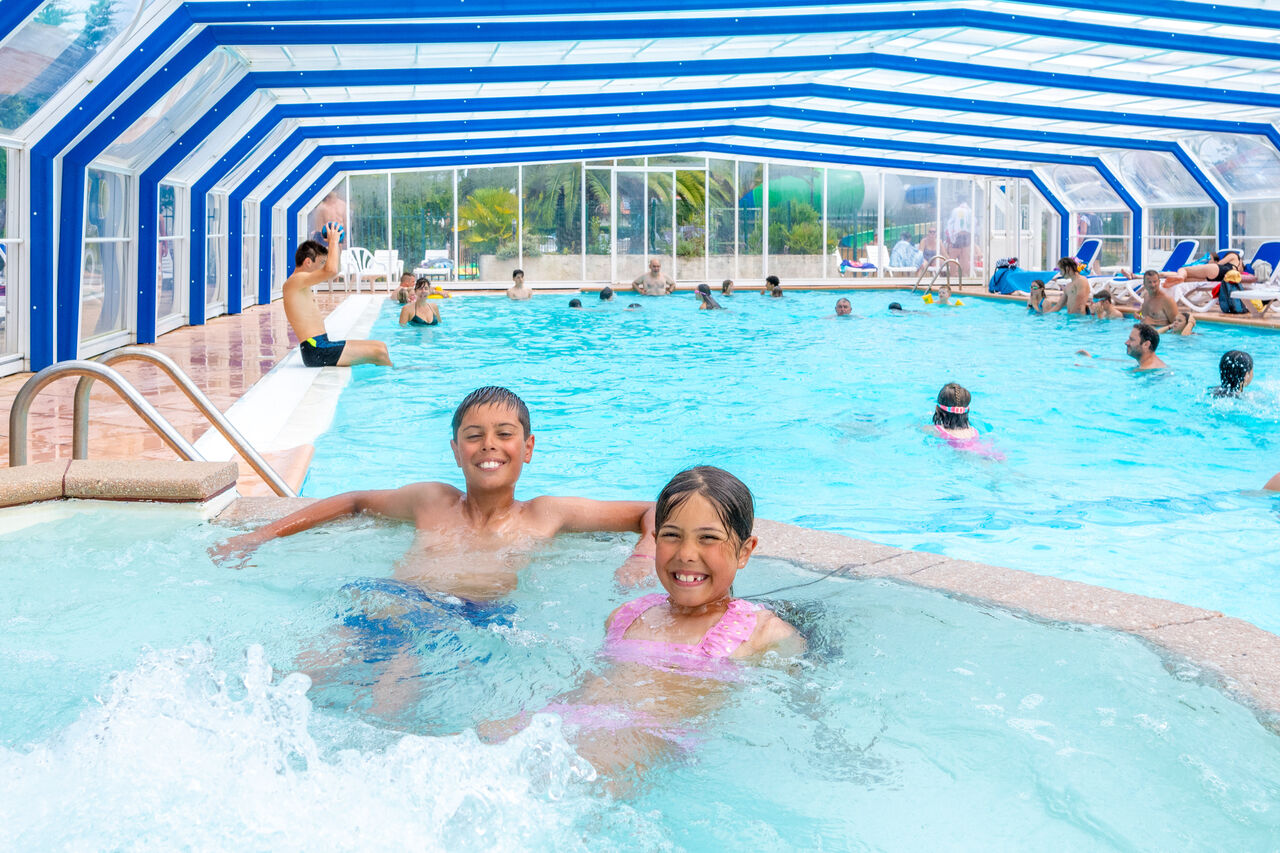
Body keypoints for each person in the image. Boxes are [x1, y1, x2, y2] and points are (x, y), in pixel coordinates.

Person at [479, 466, 802, 779]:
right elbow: (587, 689)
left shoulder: (763, 633)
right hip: (570, 724)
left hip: (644, 745)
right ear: (656, 539)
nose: (687, 553)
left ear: (745, 551)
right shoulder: (625, 616)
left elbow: (800, 703)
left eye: (708, 538)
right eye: (672, 536)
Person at [211, 387, 657, 602]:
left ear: (528, 448)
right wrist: (259, 537)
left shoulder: (545, 515)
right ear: (456, 451)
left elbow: (653, 510)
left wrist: (643, 554)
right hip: (389, 603)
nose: (489, 445)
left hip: (474, 624)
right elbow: (353, 500)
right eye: (473, 436)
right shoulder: (432, 502)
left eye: (505, 434)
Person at [284, 226, 391, 367]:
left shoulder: (301, 282)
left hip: (321, 345)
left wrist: (336, 244)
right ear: (308, 262)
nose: (323, 267)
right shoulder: (294, 281)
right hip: (315, 350)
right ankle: (391, 379)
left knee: (381, 346)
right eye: (321, 263)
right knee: (379, 352)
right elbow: (331, 270)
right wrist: (333, 241)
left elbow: (335, 270)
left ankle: (389, 375)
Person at [1162, 249, 1244, 286]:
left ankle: (1179, 276)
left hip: (1217, 270)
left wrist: (1210, 263)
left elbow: (1220, 263)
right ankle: (1173, 279)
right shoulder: (1238, 272)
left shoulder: (1234, 255)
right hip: (1218, 278)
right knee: (1185, 279)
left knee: (1183, 269)